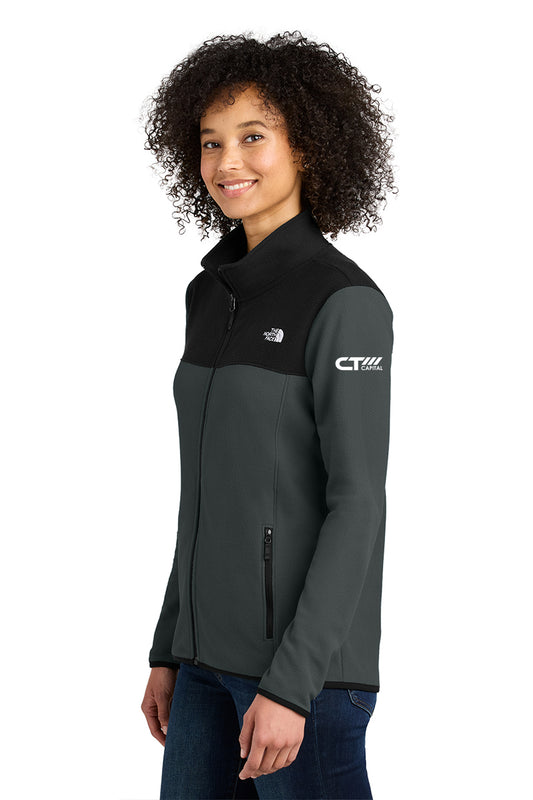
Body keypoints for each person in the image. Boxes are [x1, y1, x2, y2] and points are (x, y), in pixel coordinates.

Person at [139, 30, 397, 800]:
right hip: (201, 668)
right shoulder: (209, 296)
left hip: (300, 680)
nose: (227, 162)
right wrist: (168, 646)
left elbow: (358, 502)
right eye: (210, 141)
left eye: (253, 137)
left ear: (308, 146)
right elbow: (205, 494)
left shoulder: (344, 302)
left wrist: (291, 684)